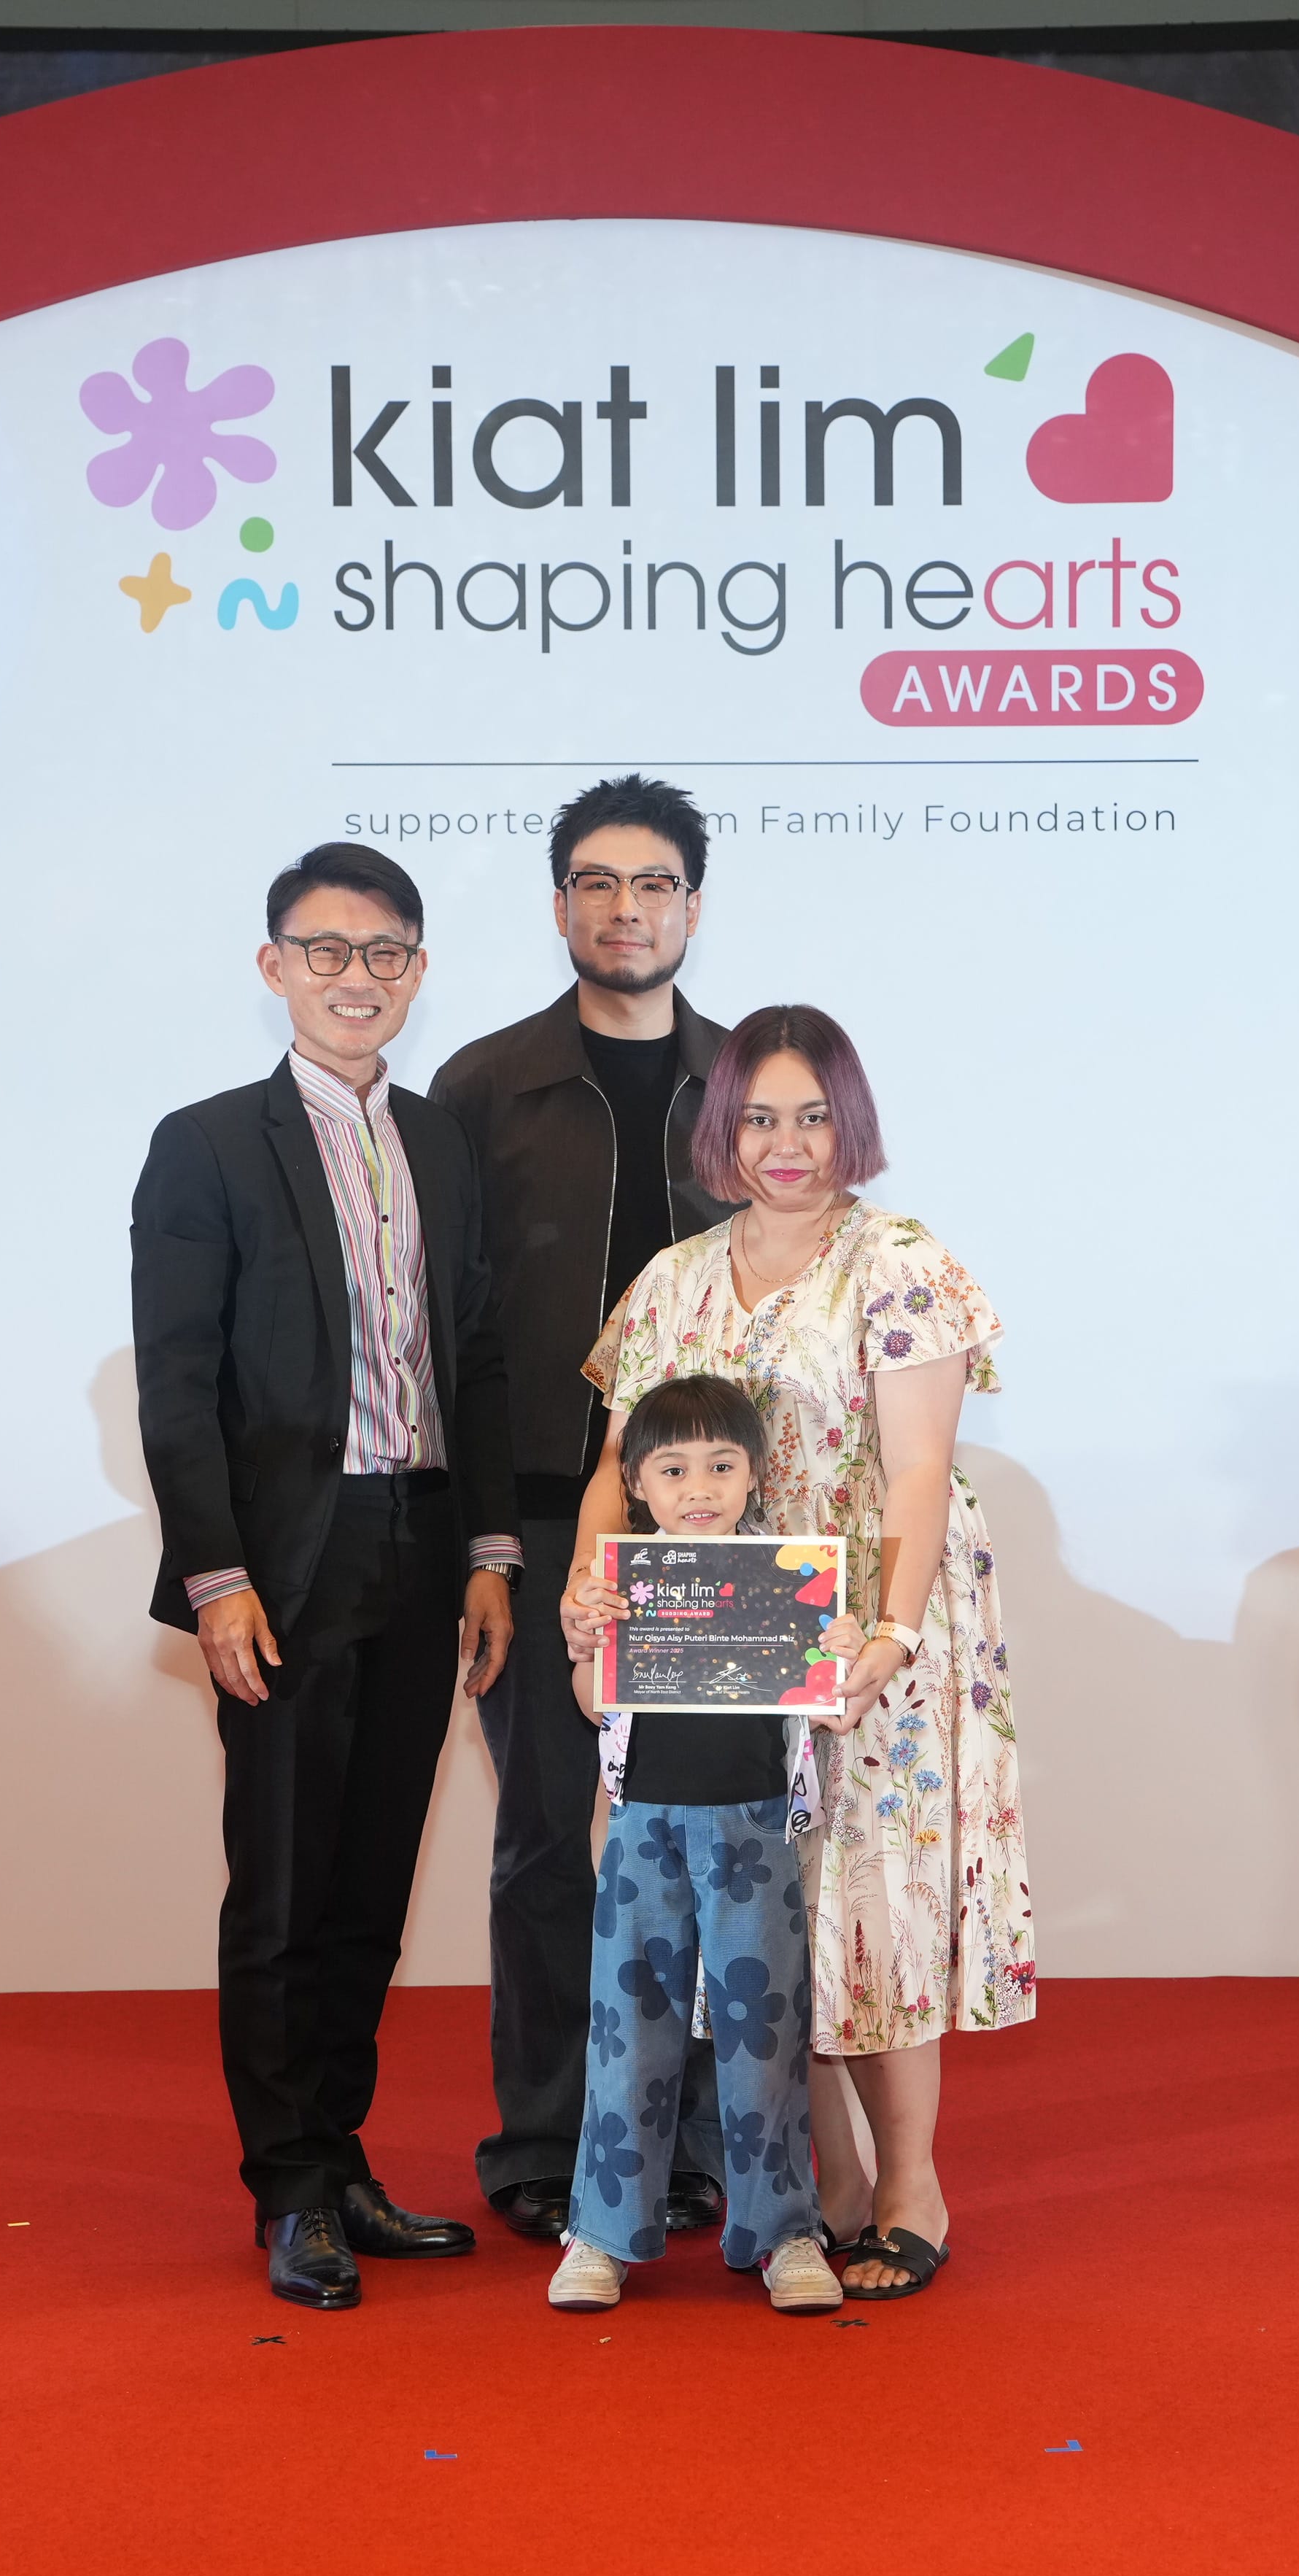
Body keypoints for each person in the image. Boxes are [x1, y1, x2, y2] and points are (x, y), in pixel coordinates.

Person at [565, 1005, 1032, 2303]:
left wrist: (886, 1632)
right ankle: (819, 2195)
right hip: (716, 1644)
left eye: (813, 1116)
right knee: (773, 1911)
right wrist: (584, 1591)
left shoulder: (901, 1262)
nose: (787, 1145)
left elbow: (921, 1466)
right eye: (761, 1117)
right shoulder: (671, 1280)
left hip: (874, 1628)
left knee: (879, 1897)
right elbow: (614, 1470)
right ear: (724, 1126)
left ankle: (912, 2189)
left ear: (851, 1122)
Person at [130, 840, 520, 2313]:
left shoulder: (443, 1141)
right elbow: (177, 1387)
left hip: (424, 1548)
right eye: (327, 950)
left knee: (370, 1879)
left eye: (386, 954)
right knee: (283, 1882)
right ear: (273, 964)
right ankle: (287, 2186)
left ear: (417, 973)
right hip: (285, 1562)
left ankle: (342, 2155)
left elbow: (473, 1356)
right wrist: (217, 1574)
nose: (357, 978)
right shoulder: (207, 1145)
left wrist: (488, 1550)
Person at [427, 778, 736, 2246]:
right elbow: (450, 1340)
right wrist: (486, 1546)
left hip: (728, 1538)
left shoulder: (751, 1082)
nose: (629, 908)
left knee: (715, 1838)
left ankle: (699, 2147)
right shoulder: (484, 1091)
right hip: (549, 1522)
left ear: (693, 903)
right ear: (560, 906)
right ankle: (549, 2141)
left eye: (657, 883)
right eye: (600, 884)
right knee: (552, 1839)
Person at [545, 1374, 852, 2316]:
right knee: (627, 2034)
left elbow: (825, 1701)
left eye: (722, 1465)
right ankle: (600, 2235)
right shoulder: (620, 1585)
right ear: (636, 1483)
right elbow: (597, 1706)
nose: (700, 1487)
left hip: (754, 1832)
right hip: (644, 1835)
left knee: (764, 2039)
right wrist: (585, 1642)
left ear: (755, 1474)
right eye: (673, 1469)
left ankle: (784, 2233)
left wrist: (833, 1643)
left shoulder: (789, 1576)